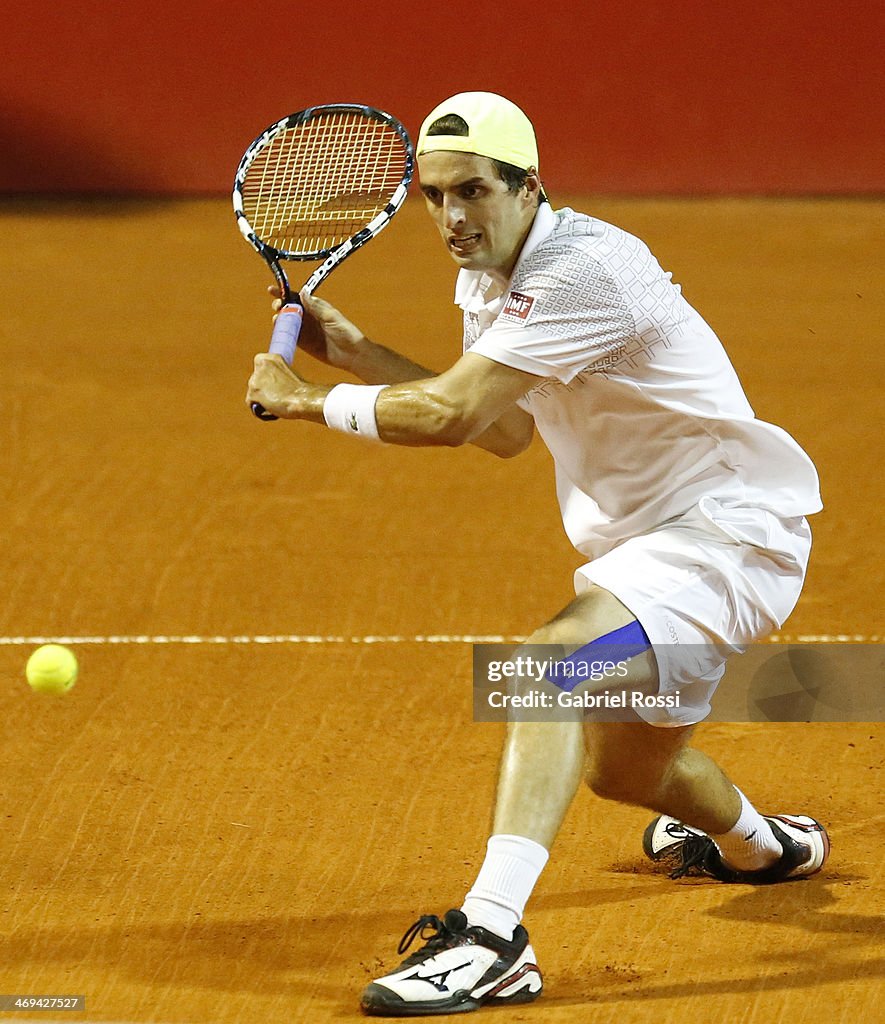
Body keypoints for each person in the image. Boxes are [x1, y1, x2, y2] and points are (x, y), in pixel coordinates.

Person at [246, 92, 830, 1017]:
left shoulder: (582, 271)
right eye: (433, 196)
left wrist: (308, 401)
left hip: (726, 540)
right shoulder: (488, 272)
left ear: (529, 186)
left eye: (472, 191)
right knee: (628, 775)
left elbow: (450, 416)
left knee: (540, 670)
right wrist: (359, 354)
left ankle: (492, 938)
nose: (451, 217)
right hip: (656, 551)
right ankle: (763, 848)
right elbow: (509, 428)